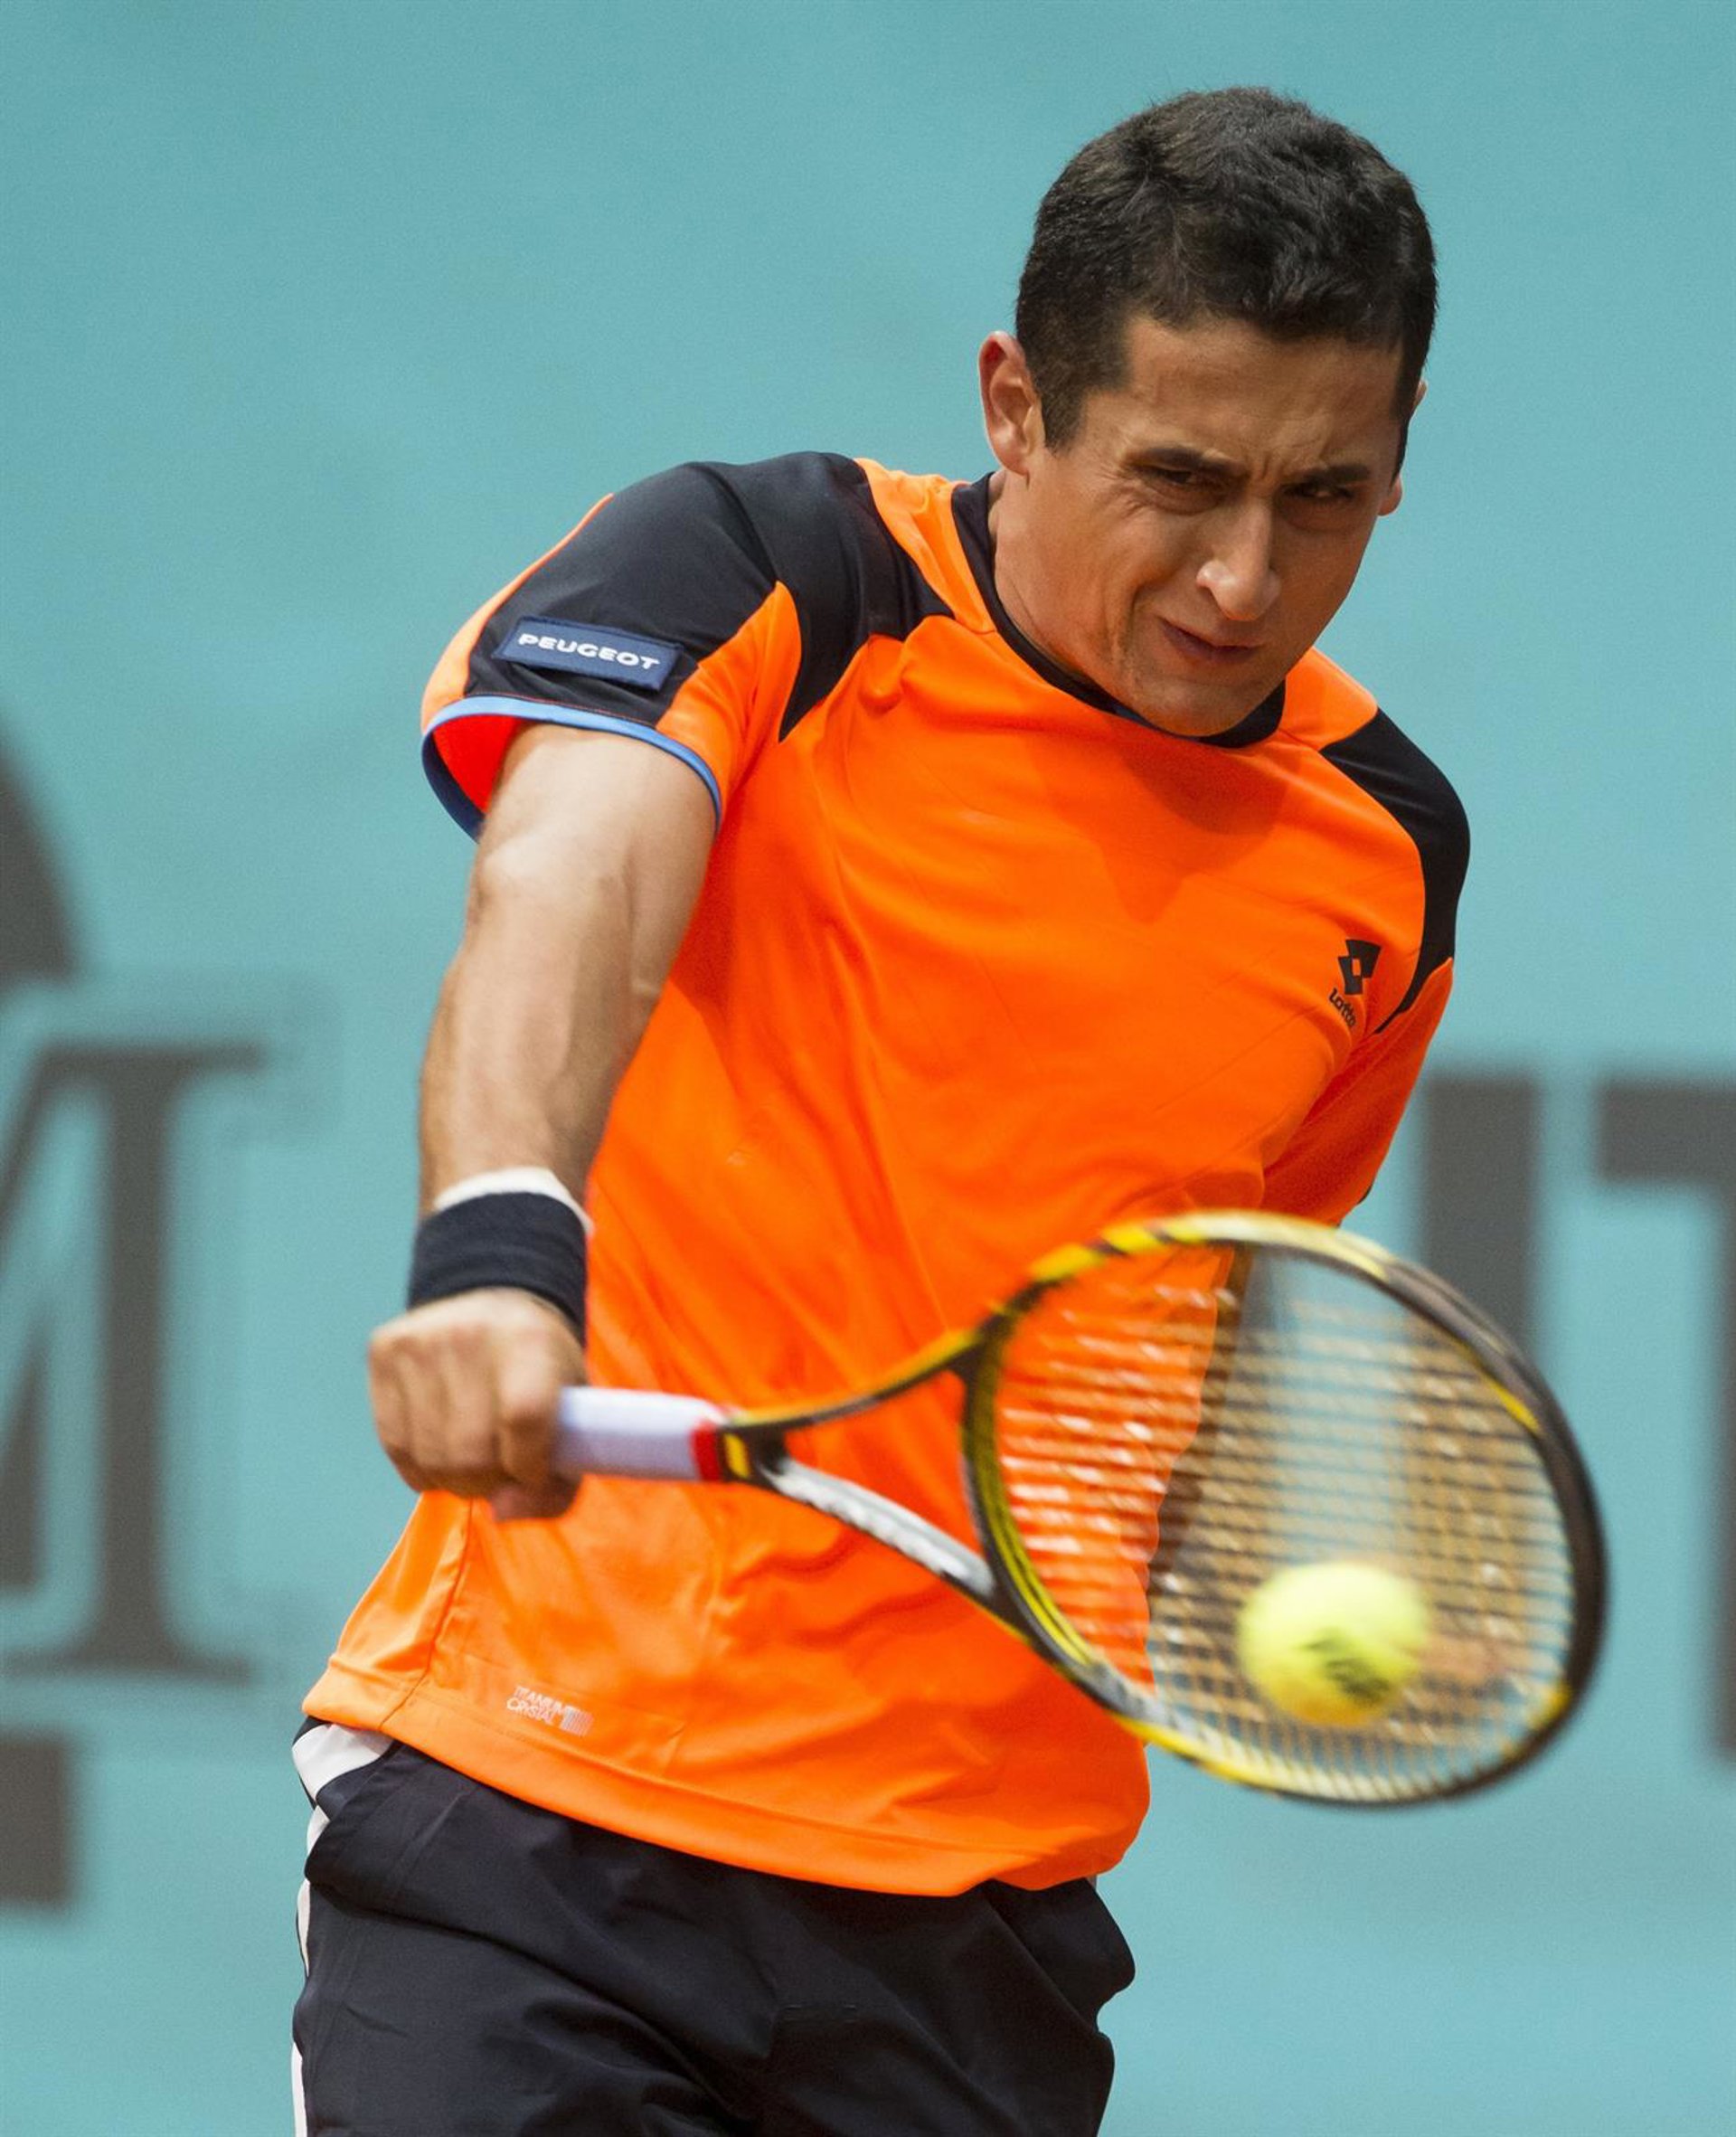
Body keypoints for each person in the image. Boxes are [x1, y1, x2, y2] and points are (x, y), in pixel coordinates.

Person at [293, 87, 1465, 2136]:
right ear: (1016, 405)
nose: (1241, 575)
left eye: (1326, 496)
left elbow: (1198, 1298)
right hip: (536, 1826)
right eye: (1179, 479)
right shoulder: (767, 568)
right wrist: (500, 1239)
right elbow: (569, 876)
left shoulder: (1388, 853)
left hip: (976, 1932)